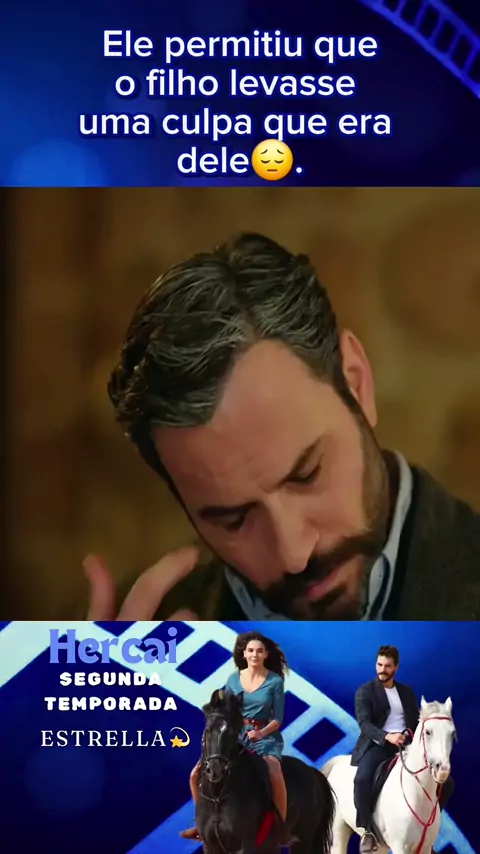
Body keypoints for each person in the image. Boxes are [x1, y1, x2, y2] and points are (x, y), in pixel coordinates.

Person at [83, 232, 480, 623]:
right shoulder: (129, 634)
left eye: (307, 474)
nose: (294, 555)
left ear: (357, 383)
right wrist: (85, 667)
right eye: (233, 520)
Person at [179, 631, 295, 845]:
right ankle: (201, 823)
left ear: (266, 654)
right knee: (195, 775)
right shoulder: (233, 679)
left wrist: (260, 733)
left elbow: (277, 719)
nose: (254, 655)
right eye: (251, 650)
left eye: (259, 651)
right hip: (235, 736)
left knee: (274, 771)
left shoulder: (275, 682)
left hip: (264, 737)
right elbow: (227, 709)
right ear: (244, 654)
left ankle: (280, 825)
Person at [351, 645, 454, 854]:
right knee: (362, 779)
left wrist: (412, 736)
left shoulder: (406, 692)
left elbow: (415, 723)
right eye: (379, 665)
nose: (382, 670)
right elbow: (364, 723)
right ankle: (368, 831)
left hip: (408, 746)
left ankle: (428, 829)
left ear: (396, 667)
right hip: (379, 745)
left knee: (448, 784)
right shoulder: (365, 691)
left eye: (387, 666)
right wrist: (387, 736)